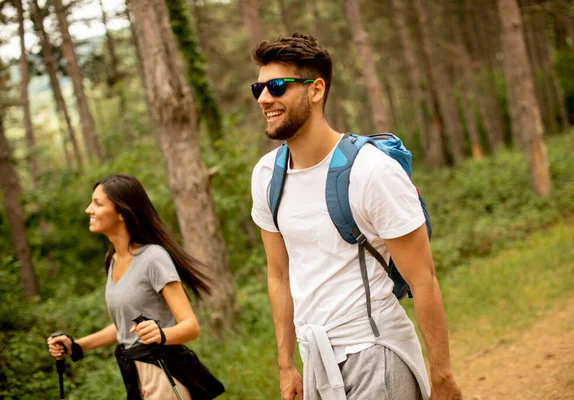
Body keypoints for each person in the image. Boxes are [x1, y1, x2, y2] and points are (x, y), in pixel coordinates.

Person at [250, 33, 462, 400]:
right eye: (259, 88)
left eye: (278, 86)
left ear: (316, 90)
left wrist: (441, 376)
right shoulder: (267, 175)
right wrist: (286, 364)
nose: (265, 98)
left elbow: (423, 279)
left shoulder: (371, 171)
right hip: (316, 361)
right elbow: (278, 274)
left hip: (376, 353)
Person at [47, 173, 224, 400]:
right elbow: (124, 326)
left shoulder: (153, 258)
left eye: (98, 203)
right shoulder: (112, 259)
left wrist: (161, 334)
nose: (88, 209)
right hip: (134, 375)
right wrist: (77, 345)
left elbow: (191, 327)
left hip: (161, 375)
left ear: (122, 213)